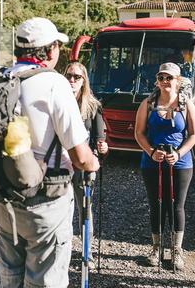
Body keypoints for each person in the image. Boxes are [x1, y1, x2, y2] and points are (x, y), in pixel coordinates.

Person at [0, 17, 100, 288]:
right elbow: (80, 156)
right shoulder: (54, 84)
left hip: (4, 201)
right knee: (45, 281)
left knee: (10, 279)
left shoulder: (1, 78)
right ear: (51, 50)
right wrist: (93, 163)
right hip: (45, 201)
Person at [135, 62, 195, 269]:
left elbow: (194, 134)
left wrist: (179, 153)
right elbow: (139, 133)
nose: (165, 82)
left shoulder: (186, 104)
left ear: (178, 80)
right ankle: (156, 248)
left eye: (169, 78)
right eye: (161, 78)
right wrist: (151, 152)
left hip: (181, 163)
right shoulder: (148, 103)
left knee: (176, 206)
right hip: (152, 162)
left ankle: (177, 251)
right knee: (156, 204)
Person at [63, 61, 108, 270]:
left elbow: (100, 138)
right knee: (62, 210)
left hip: (82, 165)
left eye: (76, 77)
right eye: (69, 76)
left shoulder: (92, 105)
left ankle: (87, 253)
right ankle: (61, 251)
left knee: (84, 210)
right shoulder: (59, 101)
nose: (72, 80)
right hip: (61, 165)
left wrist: (102, 147)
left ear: (84, 81)